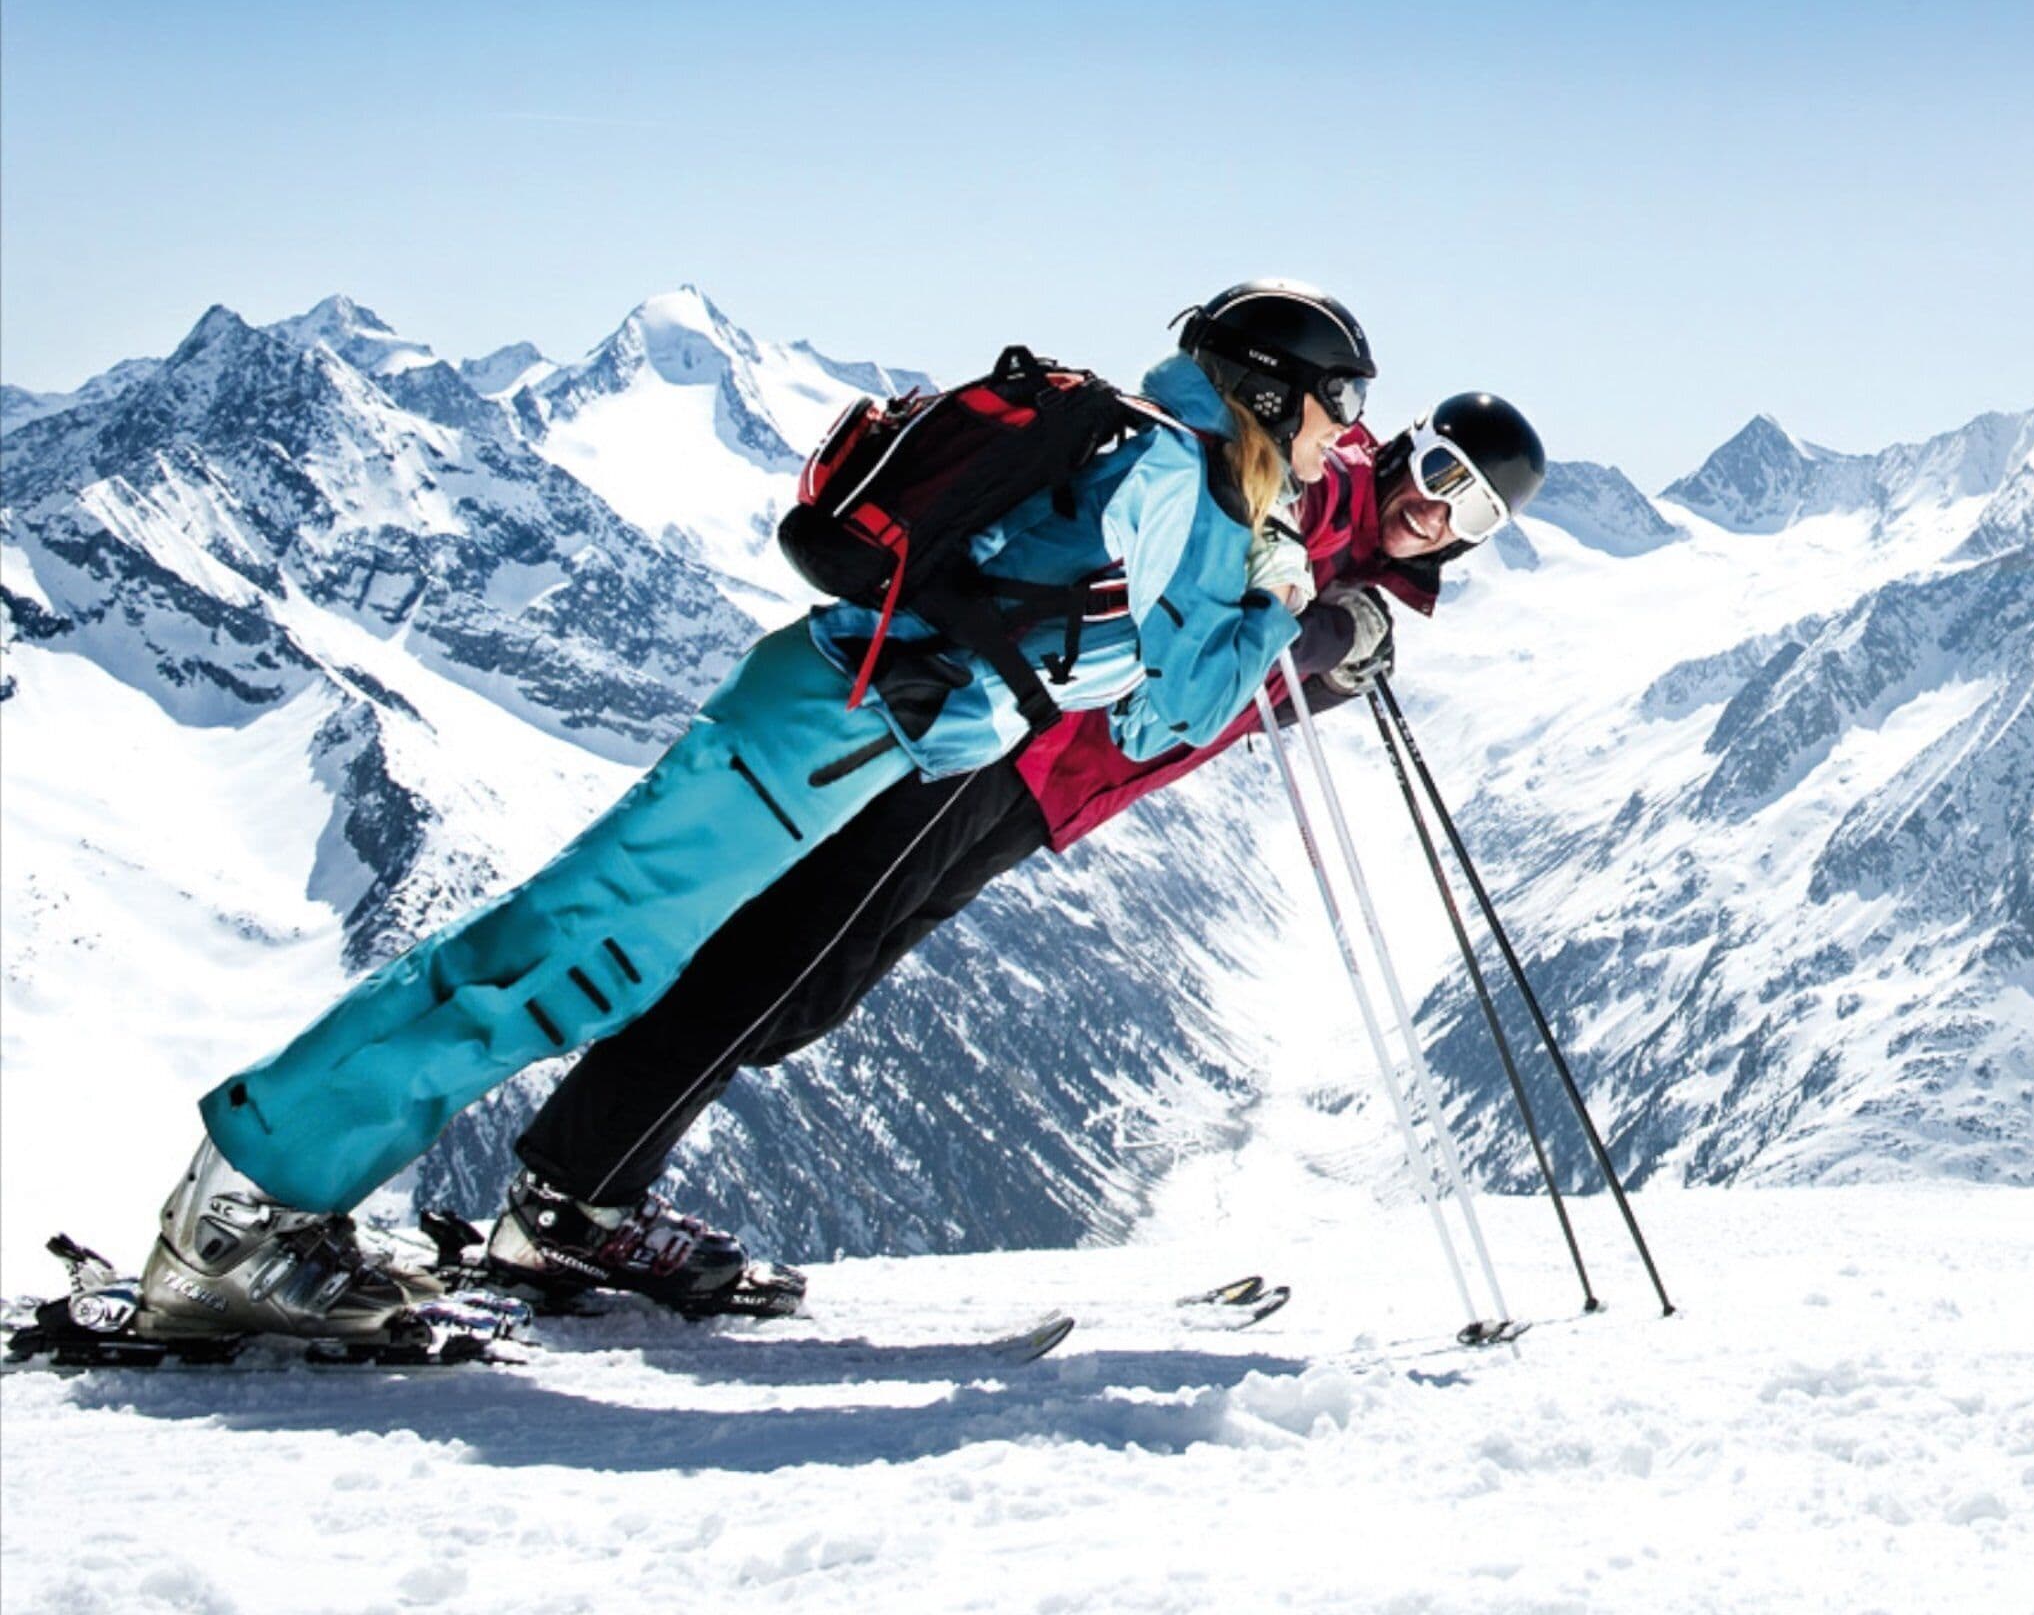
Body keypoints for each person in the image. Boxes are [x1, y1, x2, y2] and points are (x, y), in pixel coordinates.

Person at [131, 282, 1378, 1343]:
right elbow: (1163, 714)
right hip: (835, 729)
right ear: (1273, 394)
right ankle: (242, 1222)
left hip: (841, 715)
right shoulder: (1179, 482)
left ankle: (275, 1206)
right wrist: (1283, 614)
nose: (1350, 430)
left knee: (583, 953)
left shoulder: (1148, 451)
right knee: (571, 953)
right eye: (1343, 399)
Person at [479, 389, 1548, 1314]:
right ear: (1405, 444)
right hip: (1005, 735)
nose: (1436, 511)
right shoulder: (1306, 493)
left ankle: (583, 1191)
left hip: (1046, 790)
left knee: (809, 984)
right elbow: (1207, 627)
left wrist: (1335, 652)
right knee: (785, 963)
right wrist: (1326, 635)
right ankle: (572, 1200)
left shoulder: (1359, 555)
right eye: (1440, 474)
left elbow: (1234, 705)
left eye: (1473, 512)